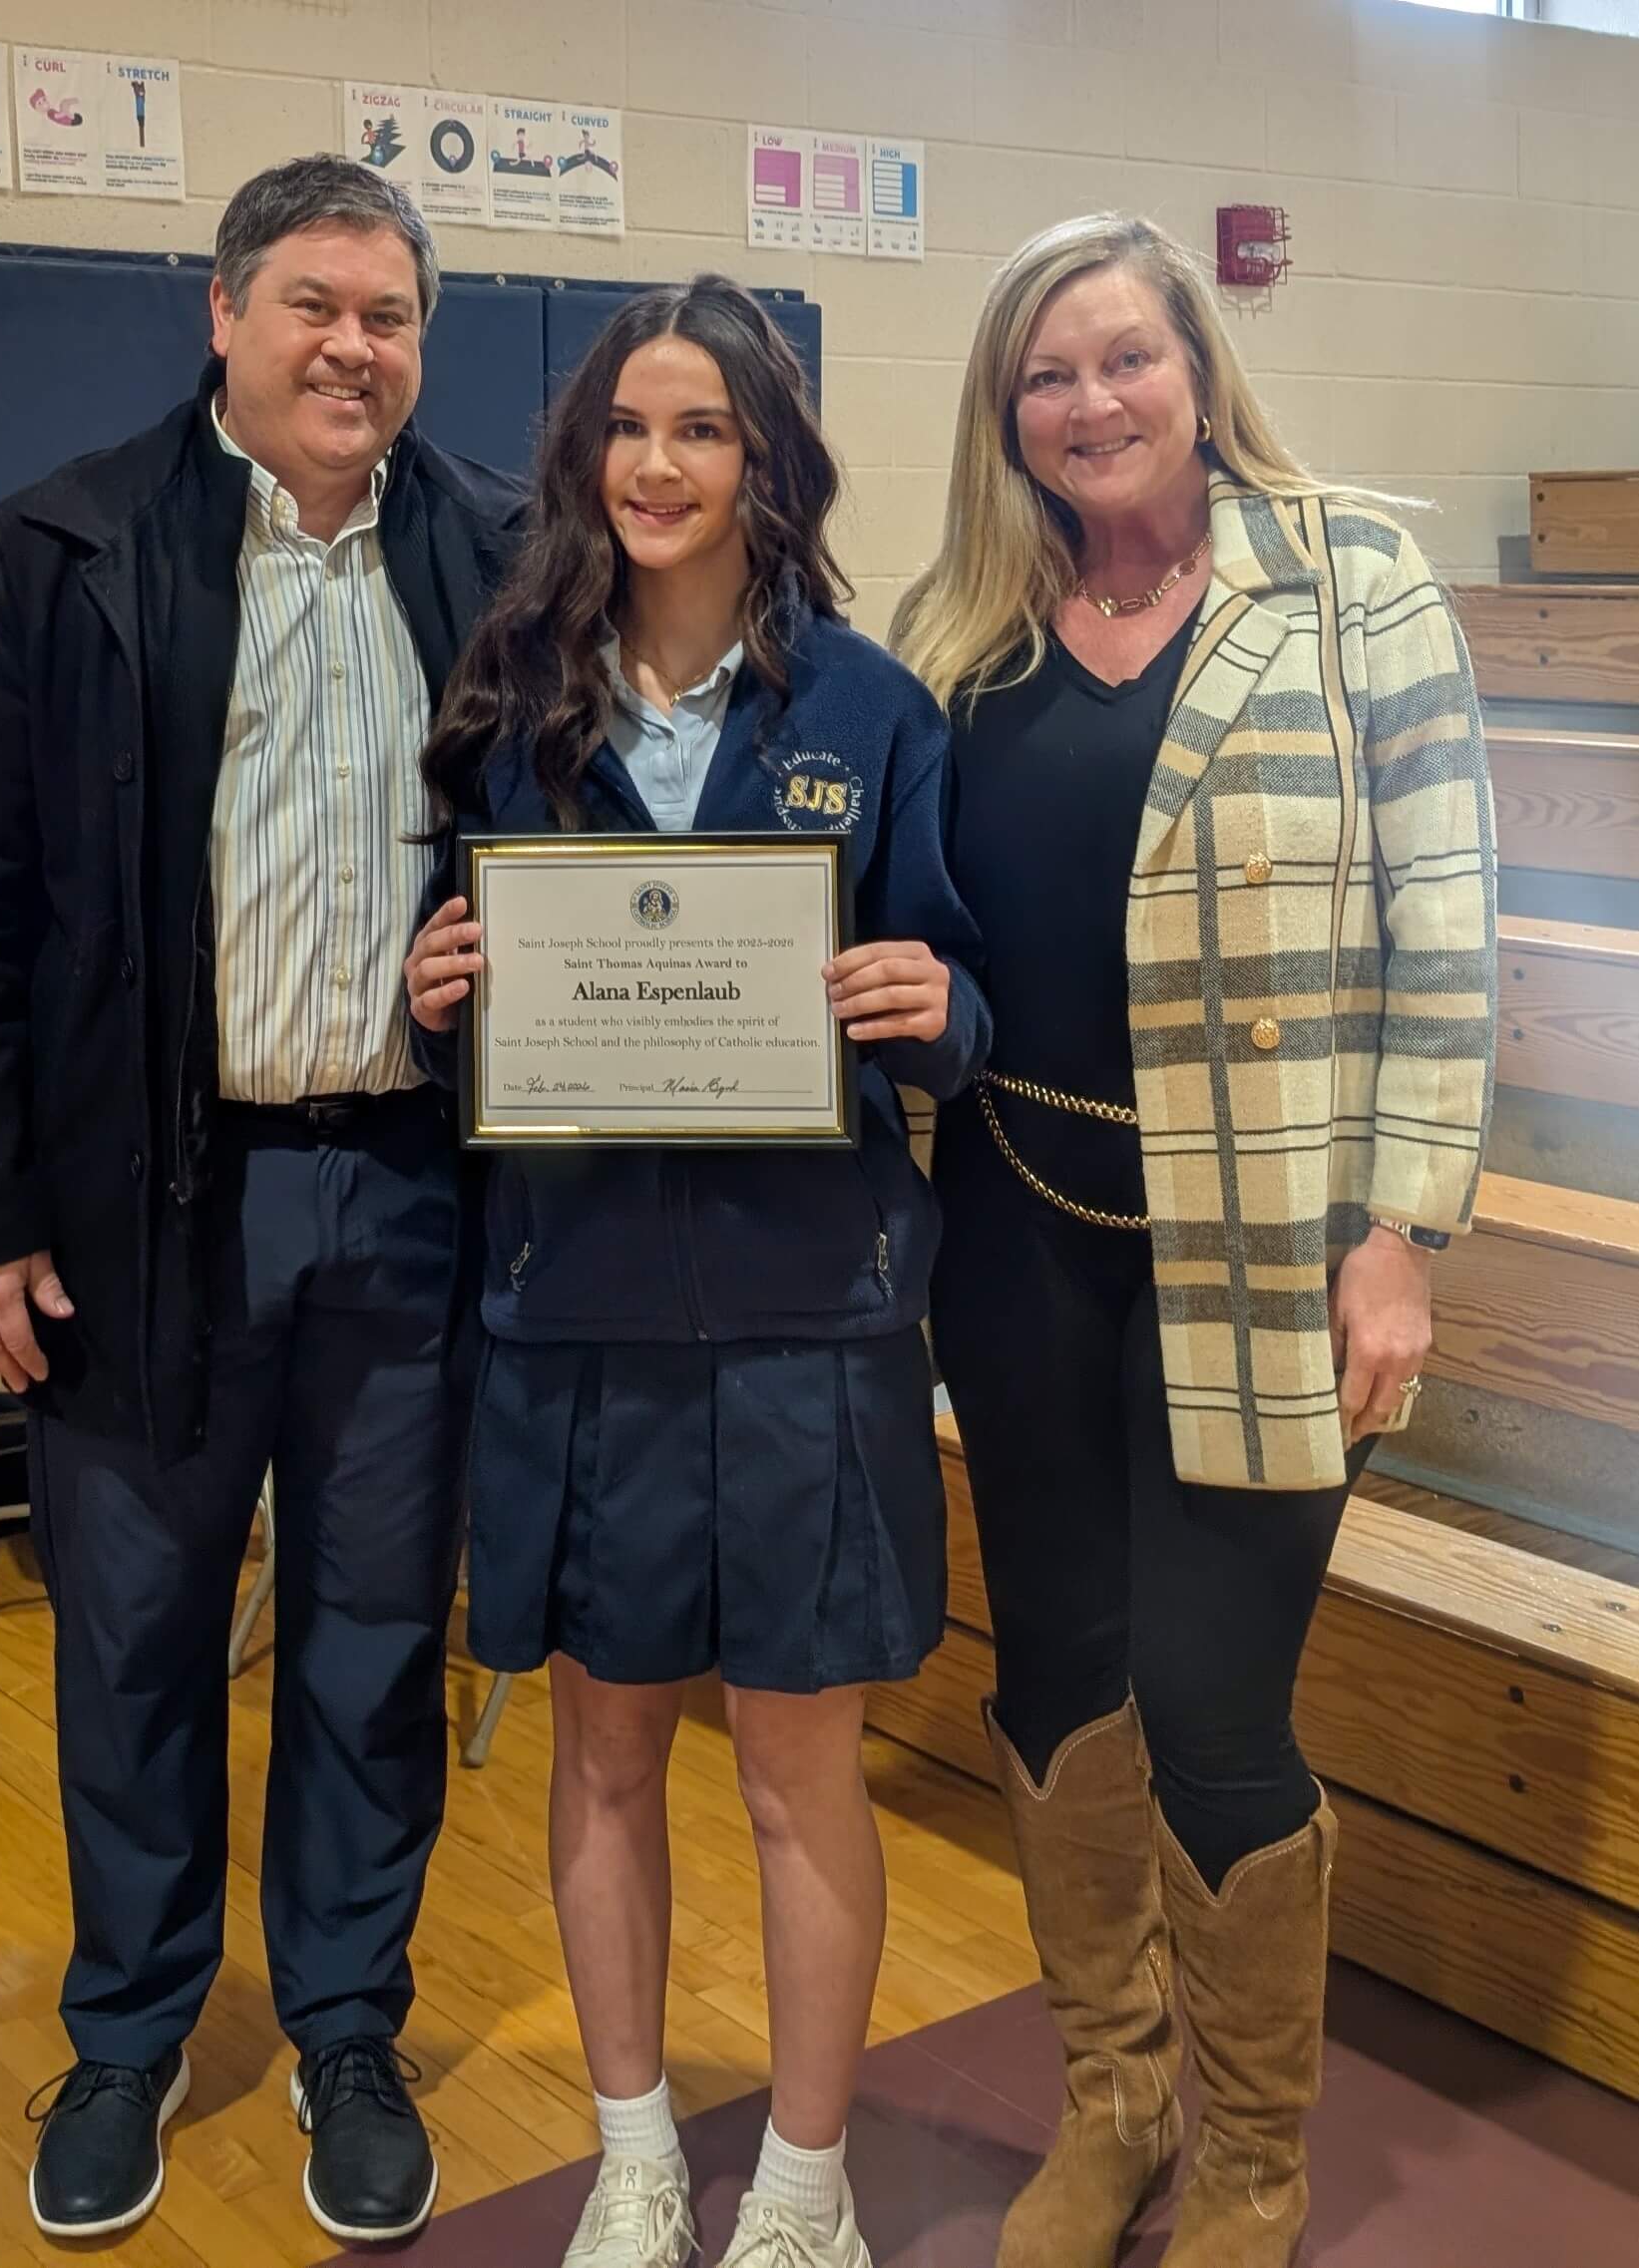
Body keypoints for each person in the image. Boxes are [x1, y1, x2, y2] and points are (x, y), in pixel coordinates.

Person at [0, 157, 523, 2247]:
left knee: (361, 1648)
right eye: (318, 303)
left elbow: (570, 852)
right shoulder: (51, 553)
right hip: (157, 1206)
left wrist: (502, 961)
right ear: (221, 316)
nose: (359, 346)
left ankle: (345, 2022)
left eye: (394, 313)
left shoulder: (505, 559)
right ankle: (131, 2034)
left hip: (407, 1198)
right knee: (139, 1643)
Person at [892, 212, 1496, 2268]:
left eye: (1123, 359)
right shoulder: (963, 625)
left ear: (1197, 366)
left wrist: (1397, 1230)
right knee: (1056, 1677)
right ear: (1006, 411)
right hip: (1017, 1220)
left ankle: (1251, 2154)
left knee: (1214, 1696)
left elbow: (1444, 928)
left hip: (1267, 1234)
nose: (1089, 404)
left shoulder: (1352, 582)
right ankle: (1116, 2101)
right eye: (1045, 375)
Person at [405, 275, 989, 2268]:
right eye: (624, 430)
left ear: (766, 461)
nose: (657, 466)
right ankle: (640, 2151)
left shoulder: (867, 708)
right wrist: (435, 993)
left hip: (810, 1310)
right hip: (570, 1312)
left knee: (802, 1763)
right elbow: (447, 998)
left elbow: (951, 984)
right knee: (604, 1745)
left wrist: (941, 1005)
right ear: (579, 459)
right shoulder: (505, 696)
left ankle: (807, 2185)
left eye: (702, 430)